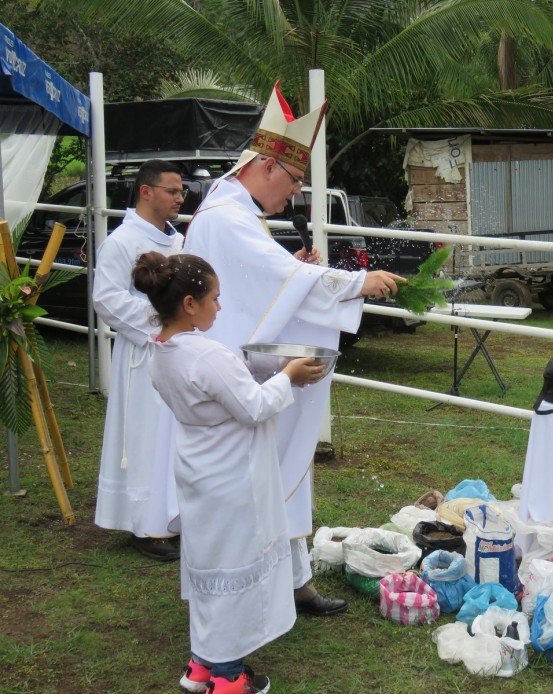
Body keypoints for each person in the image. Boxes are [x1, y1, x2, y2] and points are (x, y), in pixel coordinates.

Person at [183, 82, 404, 616]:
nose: (296, 195)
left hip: (245, 368)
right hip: (231, 379)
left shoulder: (234, 210)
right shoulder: (225, 217)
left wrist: (297, 274)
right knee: (257, 476)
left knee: (280, 470)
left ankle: (293, 579)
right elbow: (266, 276)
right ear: (265, 167)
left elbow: (266, 279)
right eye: (295, 181)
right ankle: (250, 590)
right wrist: (356, 282)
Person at [133, 250, 325, 694]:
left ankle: (201, 664)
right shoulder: (206, 355)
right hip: (232, 478)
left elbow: (220, 398)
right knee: (236, 569)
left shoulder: (159, 347)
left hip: (199, 469)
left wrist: (265, 374)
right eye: (215, 298)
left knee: (209, 567)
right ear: (189, 304)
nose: (220, 306)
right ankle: (229, 674)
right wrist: (290, 375)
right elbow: (253, 407)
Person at [92, 159, 187, 561]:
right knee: (146, 435)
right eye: (172, 191)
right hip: (143, 351)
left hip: (179, 349)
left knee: (176, 434)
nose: (180, 198)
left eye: (181, 192)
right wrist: (160, 321)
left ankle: (174, 515)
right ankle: (142, 523)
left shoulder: (179, 240)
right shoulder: (121, 242)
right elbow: (106, 299)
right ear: (146, 192)